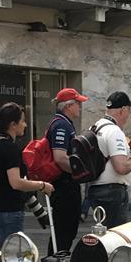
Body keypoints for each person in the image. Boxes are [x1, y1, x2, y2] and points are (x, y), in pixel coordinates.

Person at [0, 102, 54, 244]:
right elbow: (16, 182)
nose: (25, 125)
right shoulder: (11, 149)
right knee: (13, 252)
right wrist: (42, 185)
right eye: (22, 121)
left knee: (6, 249)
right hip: (10, 208)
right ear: (13, 124)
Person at [87, 92, 131, 227]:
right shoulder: (114, 131)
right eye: (129, 111)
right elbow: (121, 167)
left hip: (97, 190)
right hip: (112, 193)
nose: (129, 116)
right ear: (123, 110)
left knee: (103, 233)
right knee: (114, 236)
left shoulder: (95, 127)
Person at [45, 88, 86, 252]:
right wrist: (81, 171)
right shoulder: (61, 125)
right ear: (69, 105)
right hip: (64, 186)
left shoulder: (64, 123)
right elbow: (60, 158)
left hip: (66, 185)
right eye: (78, 103)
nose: (80, 107)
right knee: (63, 233)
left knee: (65, 232)